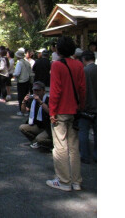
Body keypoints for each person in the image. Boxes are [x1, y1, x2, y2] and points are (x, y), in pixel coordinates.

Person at [46, 36, 86, 192]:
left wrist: (52, 111)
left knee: (60, 147)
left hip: (60, 110)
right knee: (74, 147)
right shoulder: (78, 65)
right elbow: (82, 89)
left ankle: (63, 181)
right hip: (75, 110)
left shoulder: (57, 65)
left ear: (59, 50)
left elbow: (56, 90)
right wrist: (81, 106)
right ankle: (76, 181)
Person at [19, 81, 52, 149]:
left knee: (39, 139)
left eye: (38, 90)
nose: (36, 93)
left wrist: (40, 101)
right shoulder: (33, 101)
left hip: (48, 127)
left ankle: (51, 144)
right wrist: (24, 102)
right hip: (38, 126)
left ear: (43, 91)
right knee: (22, 127)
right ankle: (36, 142)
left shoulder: (48, 99)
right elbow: (24, 111)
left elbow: (49, 111)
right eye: (34, 90)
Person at [79, 50, 97, 164]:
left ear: (84, 59)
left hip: (86, 107)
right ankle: (97, 155)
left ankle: (85, 155)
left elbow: (81, 90)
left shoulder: (84, 71)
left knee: (83, 132)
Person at [13, 49, 32, 116]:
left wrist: (14, 74)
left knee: (21, 97)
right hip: (27, 80)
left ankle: (22, 110)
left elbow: (17, 73)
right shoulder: (27, 62)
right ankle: (26, 110)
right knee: (26, 96)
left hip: (21, 81)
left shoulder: (19, 63)